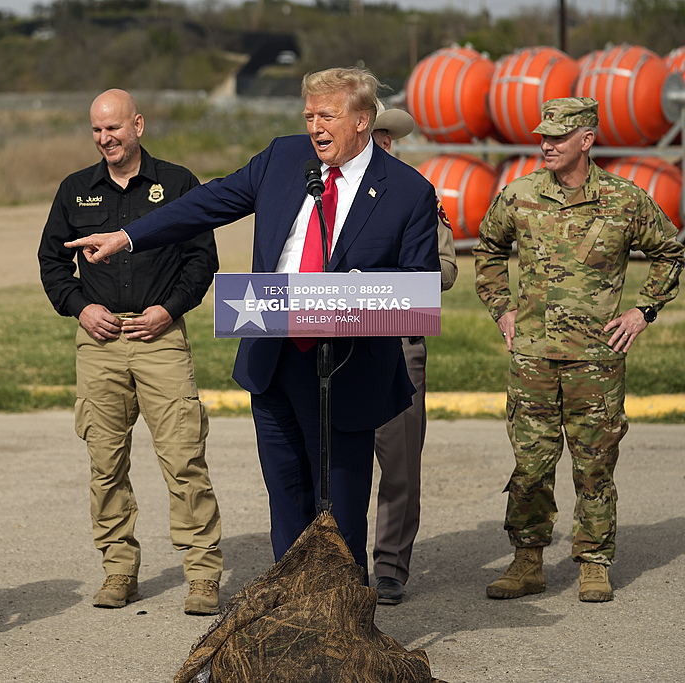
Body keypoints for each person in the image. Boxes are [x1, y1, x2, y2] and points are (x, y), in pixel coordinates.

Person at [65, 67, 441, 579]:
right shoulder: (285, 158)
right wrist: (129, 236)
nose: (314, 127)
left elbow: (419, 286)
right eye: (308, 115)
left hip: (348, 369)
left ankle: (343, 622)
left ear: (361, 120)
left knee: (341, 511)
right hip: (274, 359)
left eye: (326, 116)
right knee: (286, 497)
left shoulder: (406, 191)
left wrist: (354, 295)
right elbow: (208, 202)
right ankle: (287, 609)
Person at [474, 97, 683, 603]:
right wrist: (502, 309)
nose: (545, 144)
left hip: (597, 358)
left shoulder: (624, 200)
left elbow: (670, 252)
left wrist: (642, 312)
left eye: (558, 137)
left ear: (586, 140)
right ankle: (527, 562)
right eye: (542, 135)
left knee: (594, 463)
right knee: (530, 464)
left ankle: (593, 561)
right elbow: (487, 249)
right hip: (533, 357)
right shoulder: (520, 194)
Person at [38, 89, 223, 615]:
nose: (105, 139)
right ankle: (119, 571)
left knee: (185, 458)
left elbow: (200, 260)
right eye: (96, 131)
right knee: (105, 464)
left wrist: (169, 309)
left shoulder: (179, 183)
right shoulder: (75, 190)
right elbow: (52, 262)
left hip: (159, 337)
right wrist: (80, 307)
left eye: (113, 128)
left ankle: (203, 576)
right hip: (99, 342)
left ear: (137, 125)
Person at [370, 101, 458, 605]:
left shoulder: (417, 194)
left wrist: (385, 276)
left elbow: (445, 270)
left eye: (387, 136)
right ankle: (335, 561)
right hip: (339, 342)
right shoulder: (323, 192)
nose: (381, 143)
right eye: (373, 135)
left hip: (400, 339)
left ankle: (390, 566)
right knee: (337, 458)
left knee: (400, 461)